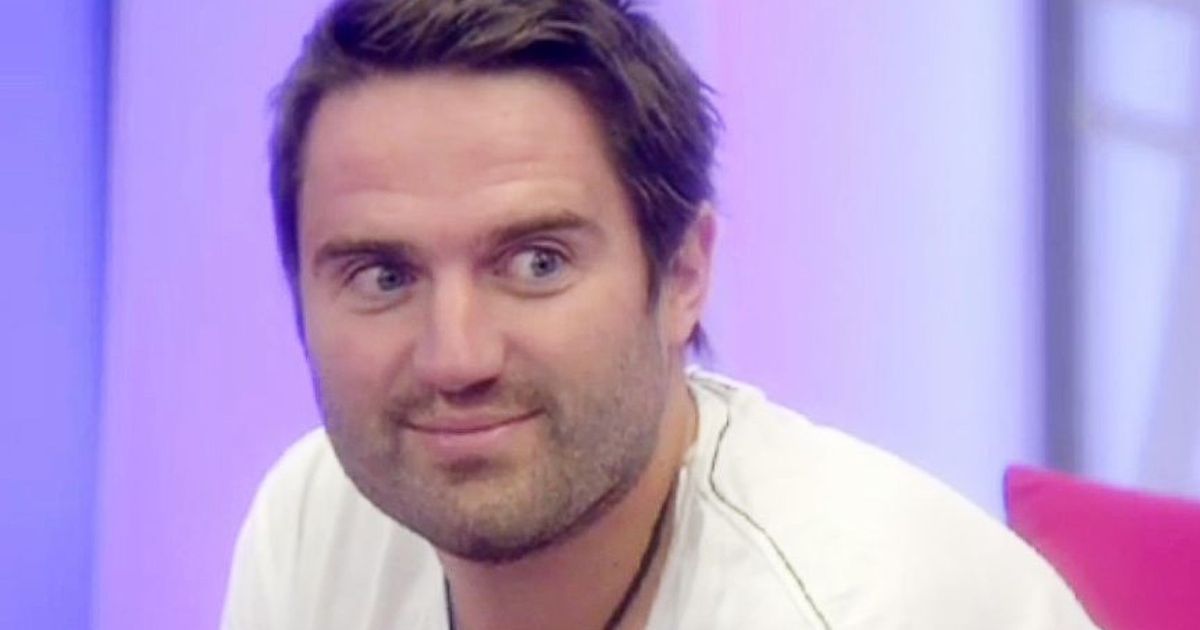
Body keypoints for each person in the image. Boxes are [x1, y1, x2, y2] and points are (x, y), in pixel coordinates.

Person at [221, 1, 1098, 628]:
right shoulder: (315, 522)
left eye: (536, 263)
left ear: (683, 274)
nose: (456, 357)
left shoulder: (871, 608)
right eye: (383, 276)